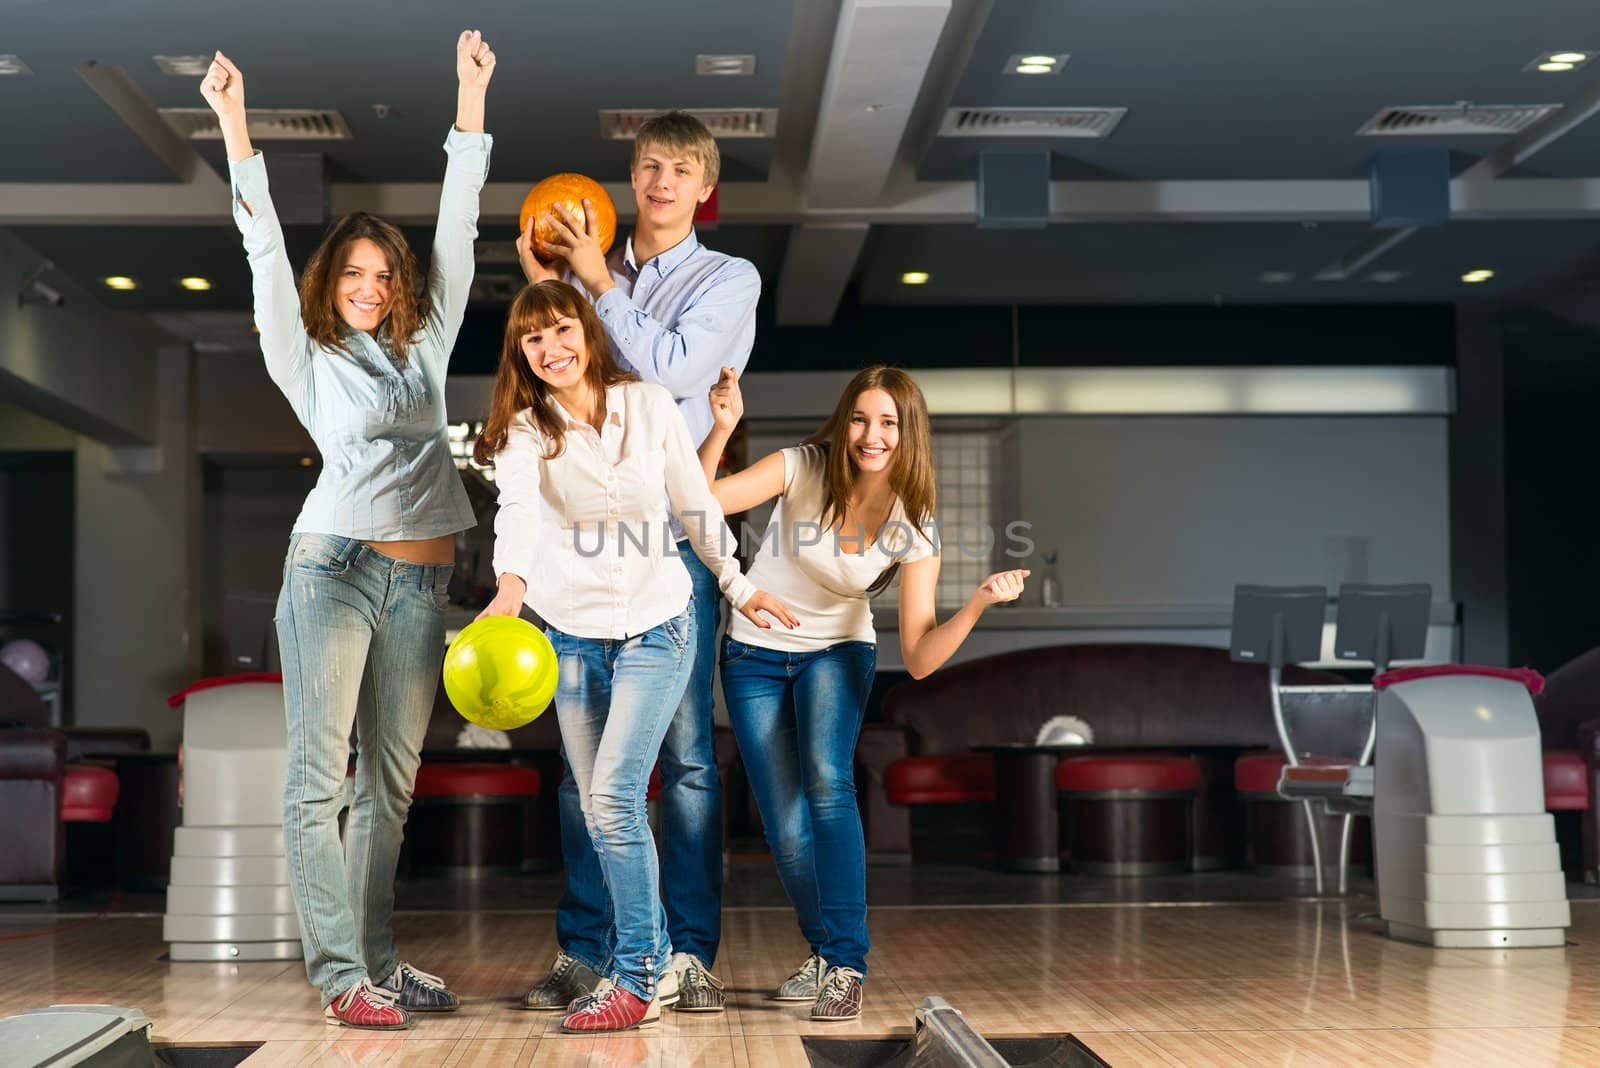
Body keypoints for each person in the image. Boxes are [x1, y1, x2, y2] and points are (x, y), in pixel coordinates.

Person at [201, 32, 496, 1030]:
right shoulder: (305, 354)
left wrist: (468, 99)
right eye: (353, 273)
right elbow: (260, 244)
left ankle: (377, 960)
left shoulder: (428, 344)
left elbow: (459, 225)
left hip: (421, 586)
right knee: (318, 778)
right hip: (330, 568)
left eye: (383, 273)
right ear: (332, 281)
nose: (368, 286)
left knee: (391, 792)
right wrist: (235, 124)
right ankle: (338, 978)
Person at [474, 280, 794, 1033]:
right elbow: (517, 511)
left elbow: (693, 501)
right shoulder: (526, 429)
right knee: (598, 810)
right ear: (520, 353)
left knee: (614, 799)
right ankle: (640, 963)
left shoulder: (648, 404)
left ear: (586, 329)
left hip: (659, 622)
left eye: (560, 330)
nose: (551, 349)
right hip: (572, 634)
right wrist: (509, 589)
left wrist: (739, 586)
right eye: (533, 339)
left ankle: (639, 974)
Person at [514, 111, 760, 1013]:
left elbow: (674, 375)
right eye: (648, 164)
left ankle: (685, 951)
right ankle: (592, 948)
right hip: (578, 539)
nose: (661, 180)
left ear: (704, 187)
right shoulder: (587, 272)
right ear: (630, 177)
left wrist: (589, 285)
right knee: (589, 764)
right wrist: (547, 284)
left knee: (687, 756)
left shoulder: (729, 278)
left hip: (671, 537)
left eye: (681, 167)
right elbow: (553, 376)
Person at [697, 364, 1028, 1021]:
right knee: (785, 823)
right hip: (754, 654)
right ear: (844, 420)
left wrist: (978, 605)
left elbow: (921, 656)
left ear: (909, 435)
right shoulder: (802, 466)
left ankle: (846, 965)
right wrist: (722, 428)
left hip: (838, 652)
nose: (870, 434)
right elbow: (700, 500)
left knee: (828, 784)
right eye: (860, 418)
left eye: (888, 423)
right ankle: (825, 952)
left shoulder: (915, 522)